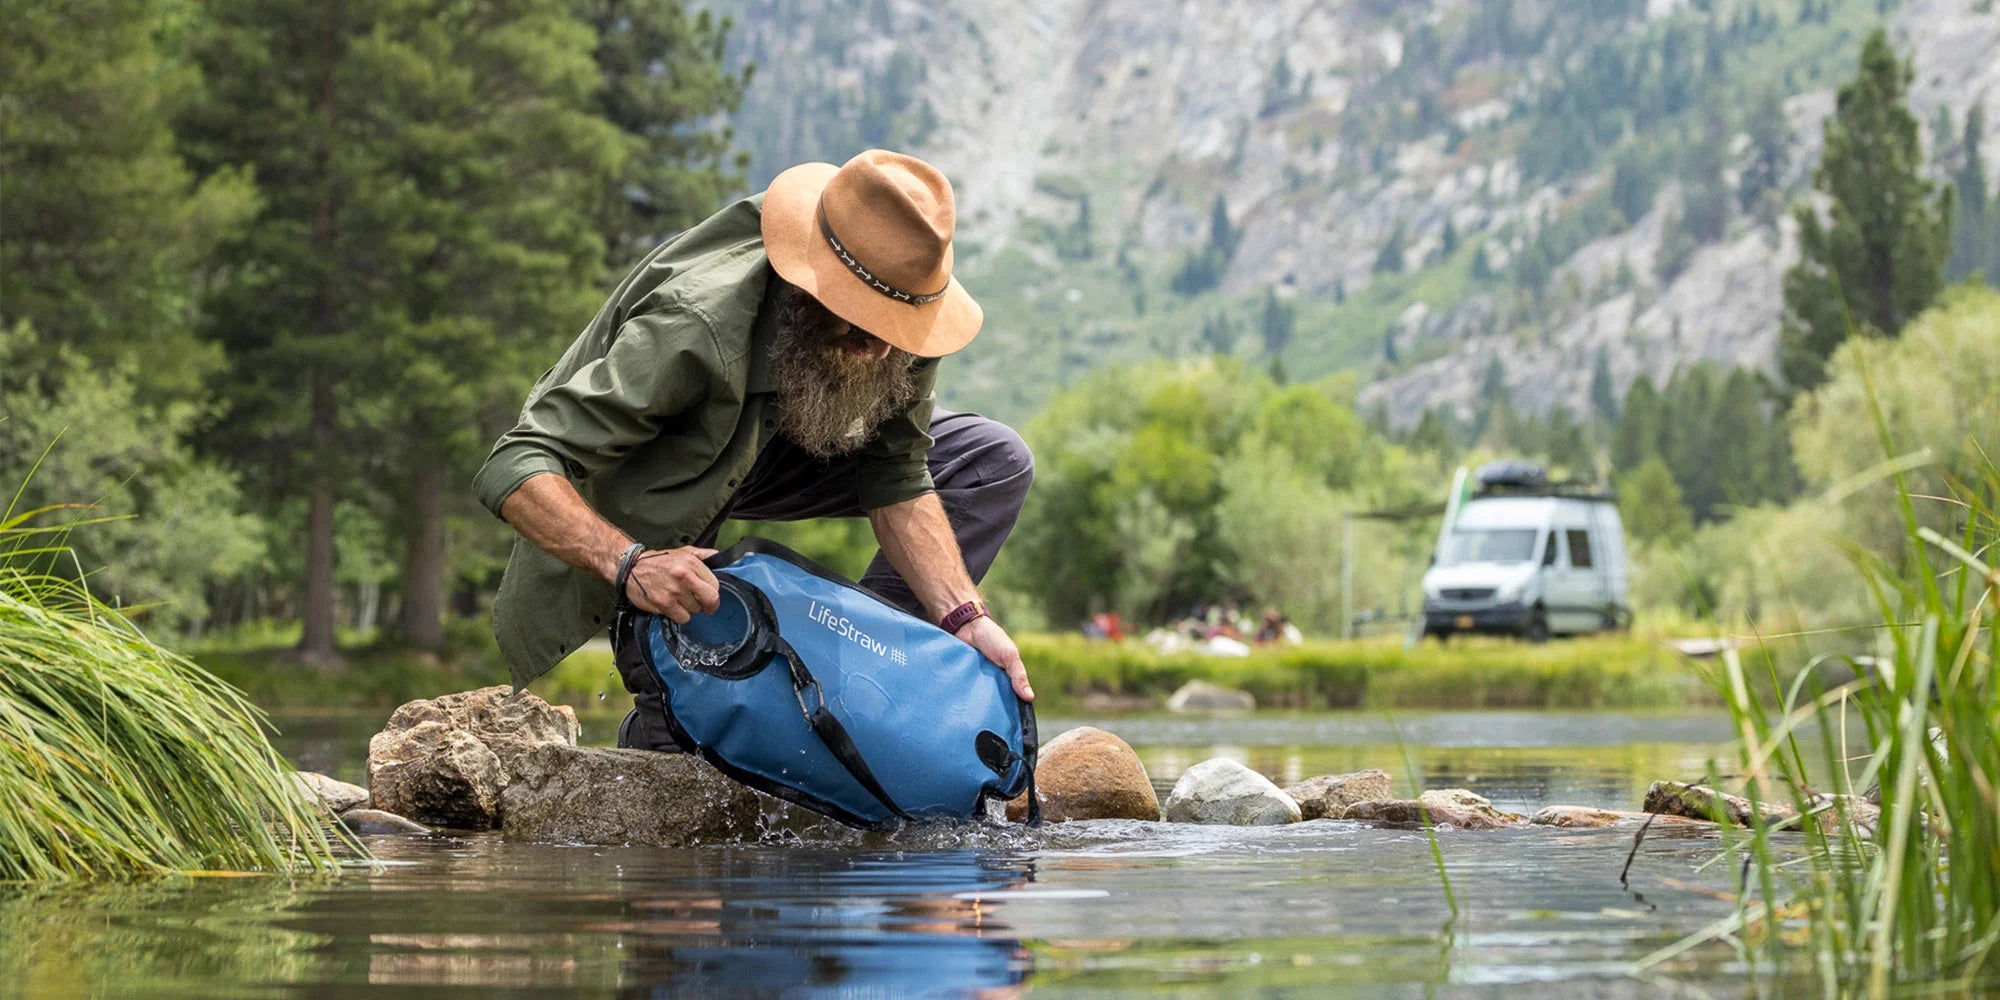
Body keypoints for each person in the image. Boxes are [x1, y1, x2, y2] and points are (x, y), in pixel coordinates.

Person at [471, 150, 1036, 752]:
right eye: (864, 327)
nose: (880, 353)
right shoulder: (695, 323)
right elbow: (516, 461)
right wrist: (631, 563)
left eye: (896, 332)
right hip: (659, 470)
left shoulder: (902, 313)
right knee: (686, 734)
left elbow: (895, 473)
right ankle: (670, 721)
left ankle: (851, 682)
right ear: (810, 284)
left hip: (785, 441)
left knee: (992, 459)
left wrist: (963, 617)